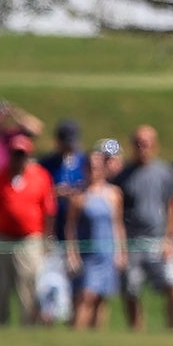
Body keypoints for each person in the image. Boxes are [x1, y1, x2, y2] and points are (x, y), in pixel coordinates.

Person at [117, 125, 173, 331]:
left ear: (154, 146)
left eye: (146, 144)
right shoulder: (124, 175)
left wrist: (169, 239)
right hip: (133, 241)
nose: (142, 148)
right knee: (131, 290)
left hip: (159, 240)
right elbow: (117, 213)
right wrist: (121, 246)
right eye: (138, 143)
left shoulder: (165, 173)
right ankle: (137, 331)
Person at [0, 132, 56, 325]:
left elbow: (49, 211)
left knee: (28, 283)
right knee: (0, 285)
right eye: (15, 154)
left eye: (21, 154)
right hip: (3, 237)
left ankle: (28, 325)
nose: (18, 158)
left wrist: (46, 239)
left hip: (30, 239)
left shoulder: (40, 176)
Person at [66, 141, 126, 330]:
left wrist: (121, 252)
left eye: (97, 167)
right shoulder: (79, 197)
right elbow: (71, 228)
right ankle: (78, 332)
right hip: (88, 255)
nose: (93, 171)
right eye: (90, 167)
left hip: (107, 252)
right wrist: (72, 254)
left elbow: (117, 224)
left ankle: (96, 334)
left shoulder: (114, 194)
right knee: (86, 295)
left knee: (102, 298)